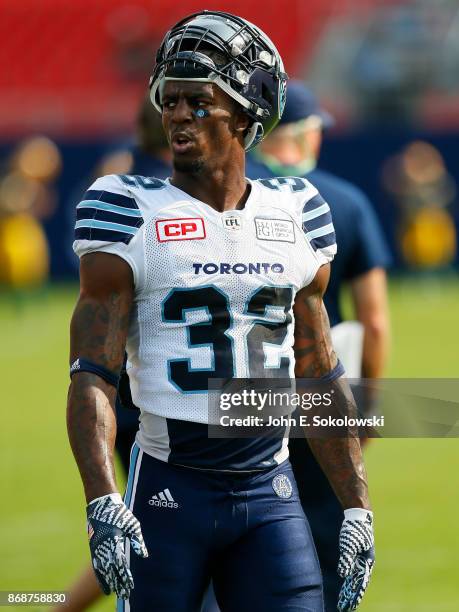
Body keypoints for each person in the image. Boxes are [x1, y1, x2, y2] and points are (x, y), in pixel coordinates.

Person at [67, 11, 375, 612]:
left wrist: (357, 505)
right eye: (171, 101)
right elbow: (91, 376)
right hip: (168, 489)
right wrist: (102, 498)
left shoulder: (297, 211)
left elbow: (318, 370)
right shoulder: (127, 209)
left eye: (199, 102)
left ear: (246, 113)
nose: (178, 115)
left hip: (272, 491)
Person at [247, 80, 391, 611]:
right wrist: (367, 412)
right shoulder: (347, 202)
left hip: (241, 393)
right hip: (320, 392)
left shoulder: (230, 197)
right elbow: (373, 322)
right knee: (326, 543)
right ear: (307, 135)